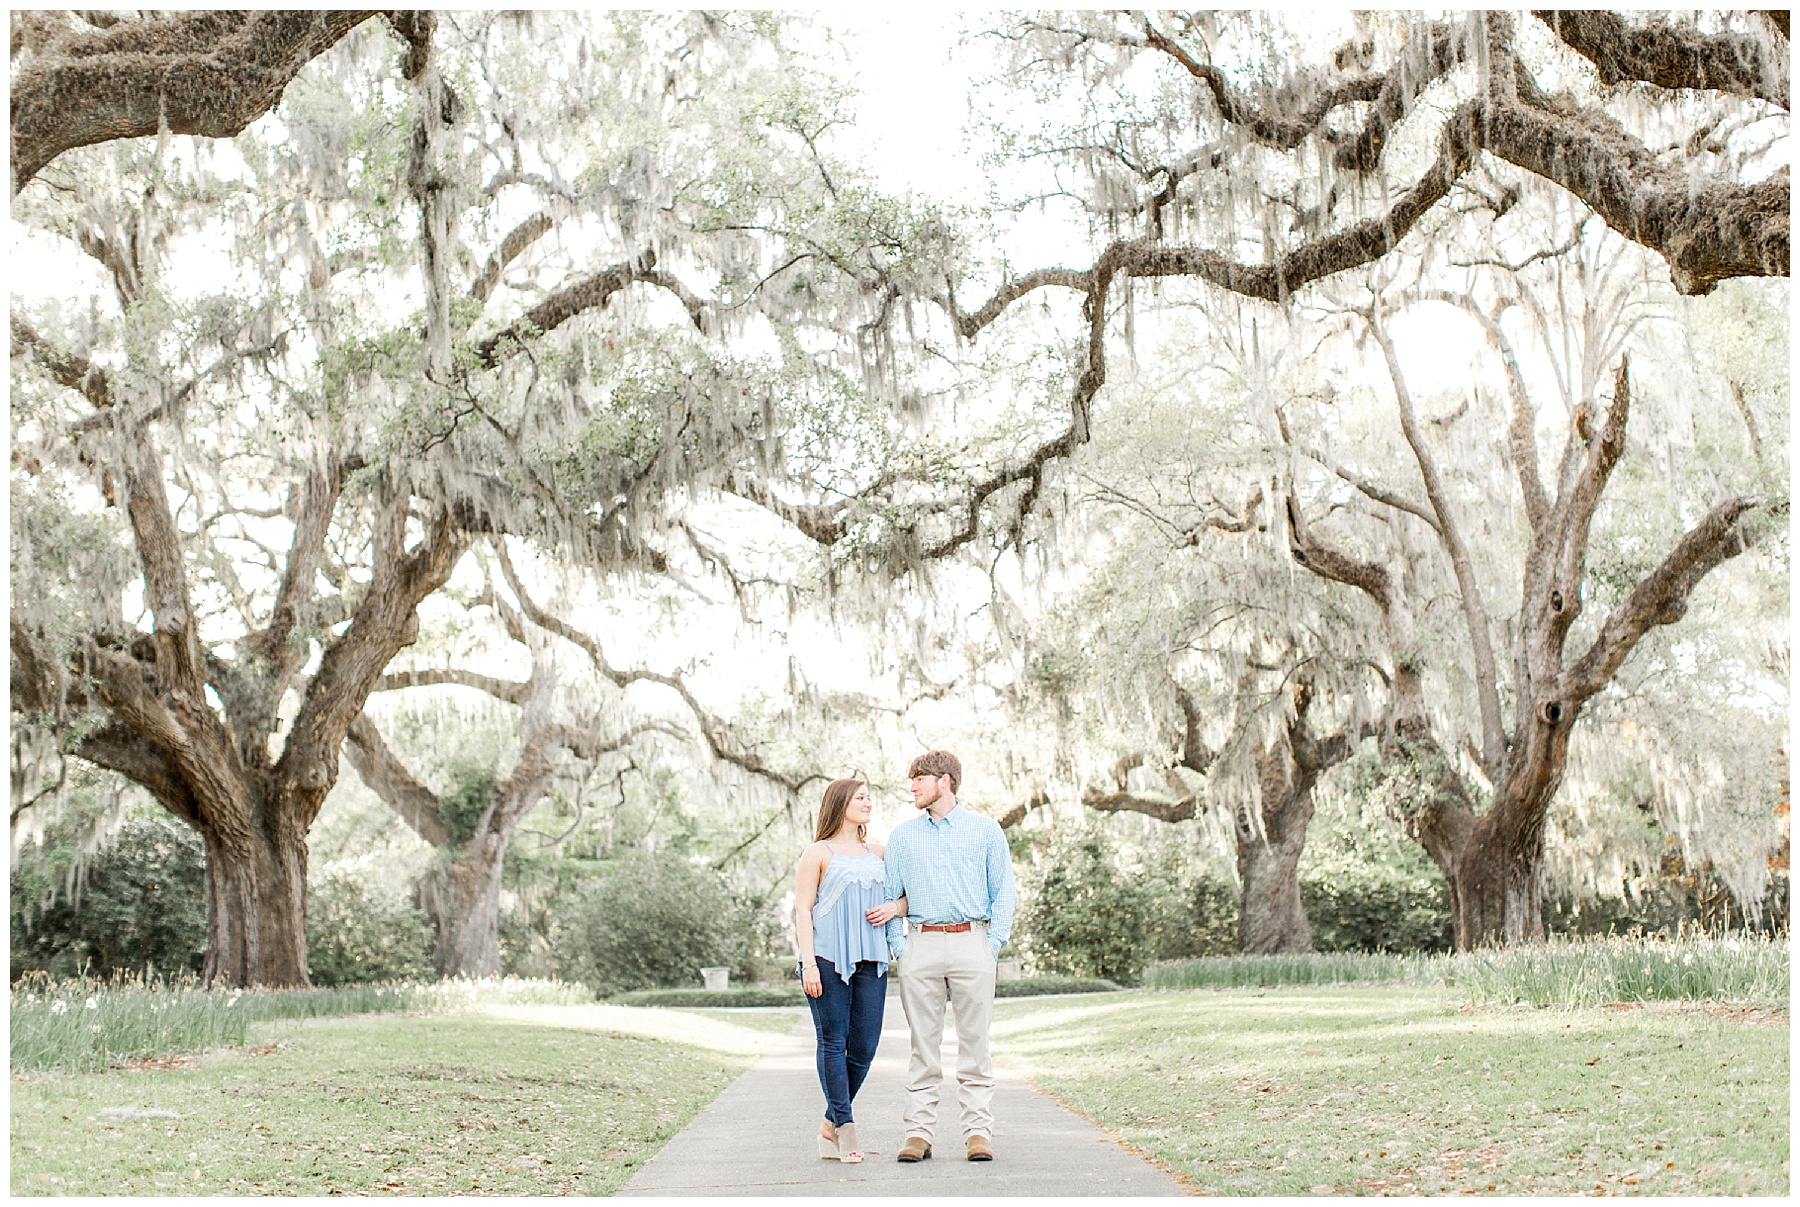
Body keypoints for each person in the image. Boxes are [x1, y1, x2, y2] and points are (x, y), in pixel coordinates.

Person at [877, 749, 1016, 1164]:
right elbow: (889, 896)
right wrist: (901, 948)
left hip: (972, 943)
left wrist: (991, 946)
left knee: (975, 1043)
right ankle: (918, 1132)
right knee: (924, 1045)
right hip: (920, 944)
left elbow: (1003, 891)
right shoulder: (903, 836)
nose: (913, 787)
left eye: (920, 778)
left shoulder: (986, 830)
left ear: (945, 781)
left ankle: (978, 1132)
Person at [793, 778, 906, 1164]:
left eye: (870, 797)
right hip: (825, 959)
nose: (868, 802)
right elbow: (803, 910)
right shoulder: (817, 853)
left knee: (864, 1048)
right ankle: (846, 1128)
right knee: (833, 1042)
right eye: (860, 797)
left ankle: (829, 1123)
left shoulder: (881, 853)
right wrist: (808, 963)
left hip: (872, 959)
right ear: (840, 802)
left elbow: (914, 894)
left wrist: (895, 909)